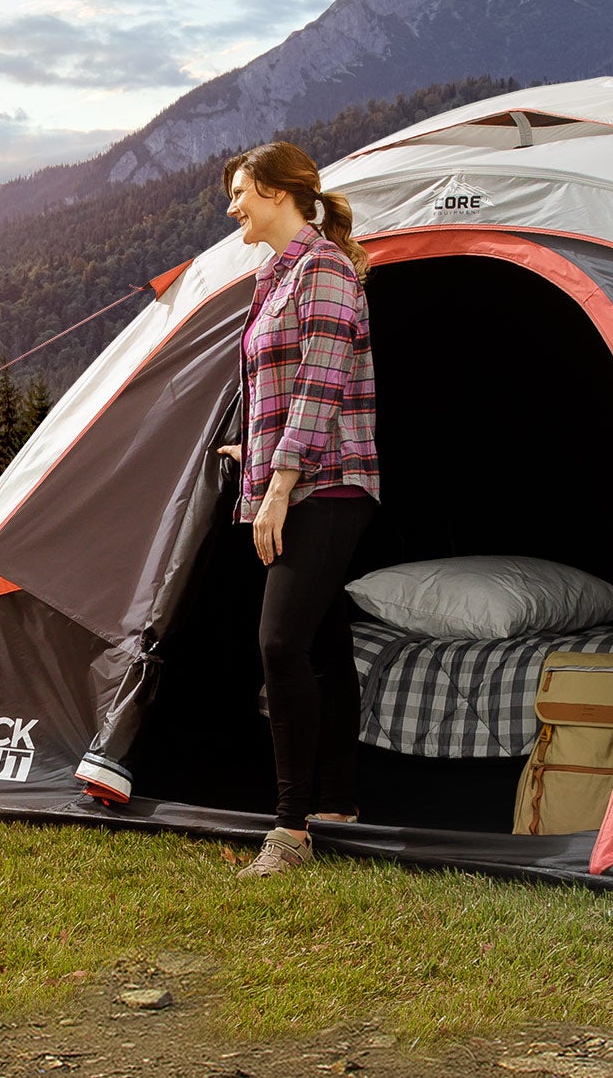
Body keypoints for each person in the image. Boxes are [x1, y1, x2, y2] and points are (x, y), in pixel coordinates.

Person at [215, 141, 380, 878]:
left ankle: (289, 829)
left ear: (279, 193)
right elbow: (272, 388)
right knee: (323, 644)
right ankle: (338, 805)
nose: (232, 208)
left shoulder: (327, 271)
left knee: (280, 642)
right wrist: (249, 453)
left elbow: (320, 387)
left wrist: (278, 487)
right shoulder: (273, 275)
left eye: (240, 193)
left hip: (328, 483)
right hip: (289, 476)